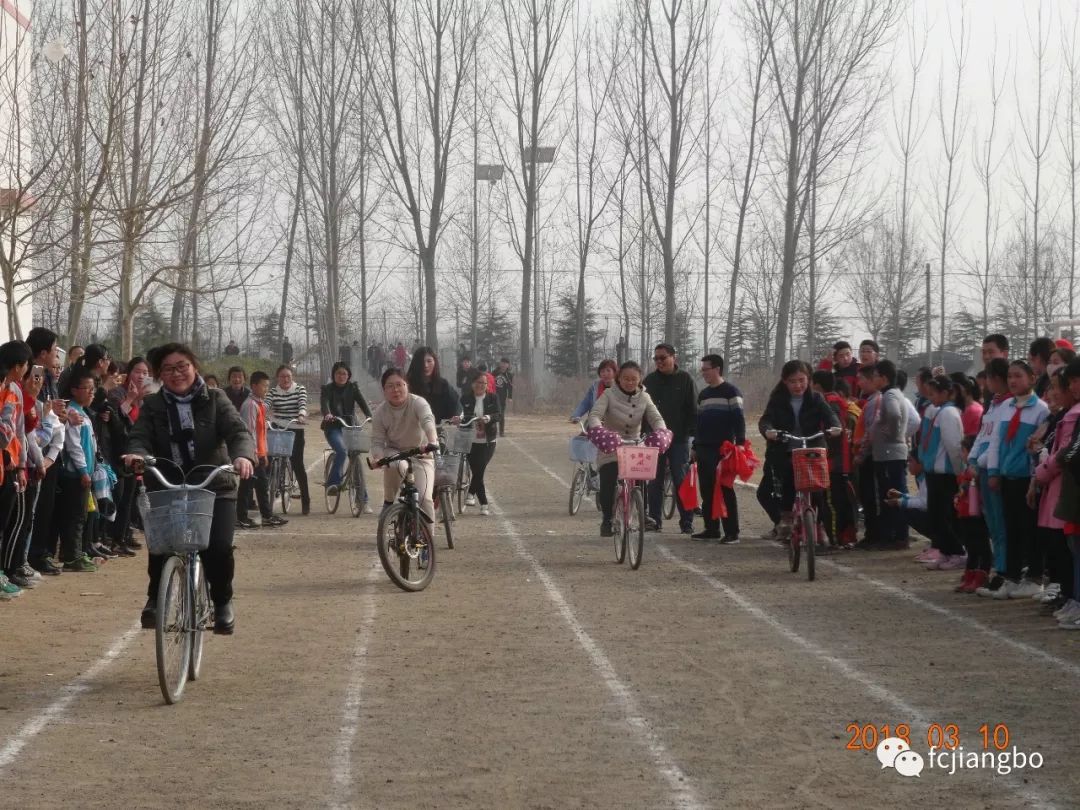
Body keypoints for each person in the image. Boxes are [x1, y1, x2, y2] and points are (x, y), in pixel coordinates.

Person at [125, 343, 255, 634]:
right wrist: (136, 454)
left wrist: (243, 456)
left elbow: (238, 432)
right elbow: (139, 437)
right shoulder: (154, 405)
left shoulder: (216, 399)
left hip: (213, 485)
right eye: (168, 369)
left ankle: (222, 602)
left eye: (182, 366)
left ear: (194, 366)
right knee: (161, 544)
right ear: (160, 375)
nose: (176, 373)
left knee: (218, 548)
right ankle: (155, 599)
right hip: (168, 483)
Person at [985, 360, 1050, 599]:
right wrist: (993, 471)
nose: (1013, 381)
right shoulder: (1006, 407)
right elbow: (995, 443)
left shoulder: (1040, 409)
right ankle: (1011, 577)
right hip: (1006, 477)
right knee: (1010, 528)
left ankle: (1034, 577)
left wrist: (1034, 479)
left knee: (1030, 529)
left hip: (1027, 479)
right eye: (1010, 376)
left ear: (1032, 378)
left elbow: (1038, 448)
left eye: (1018, 376)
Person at [757, 360, 841, 542]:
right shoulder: (778, 400)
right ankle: (786, 517)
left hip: (811, 448)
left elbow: (831, 417)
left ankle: (819, 525)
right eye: (793, 381)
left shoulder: (817, 399)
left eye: (802, 380)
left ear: (808, 379)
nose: (798, 385)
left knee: (819, 489)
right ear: (785, 382)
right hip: (786, 449)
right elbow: (765, 421)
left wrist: (835, 427)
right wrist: (769, 431)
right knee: (787, 476)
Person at [586, 361, 667, 538]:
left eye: (634, 379)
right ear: (619, 378)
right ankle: (607, 518)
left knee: (641, 478)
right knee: (608, 478)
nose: (629, 382)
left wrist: (661, 430)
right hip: (611, 444)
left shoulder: (645, 397)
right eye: (625, 379)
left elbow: (656, 418)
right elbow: (595, 415)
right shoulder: (608, 394)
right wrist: (599, 430)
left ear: (639, 380)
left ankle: (641, 511)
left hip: (635, 444)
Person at [370, 368, 439, 521]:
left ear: (406, 385)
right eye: (390, 386)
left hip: (422, 454)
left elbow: (428, 421)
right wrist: (377, 458)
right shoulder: (380, 412)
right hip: (395, 453)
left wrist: (432, 441)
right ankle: (389, 501)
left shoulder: (418, 403)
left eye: (399, 384)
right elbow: (377, 441)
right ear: (384, 390)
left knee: (425, 499)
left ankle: (428, 540)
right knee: (397, 465)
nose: (395, 390)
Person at [643, 343, 697, 534]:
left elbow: (693, 409)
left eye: (663, 358)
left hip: (679, 439)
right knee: (654, 480)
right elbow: (643, 411)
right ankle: (654, 520)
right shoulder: (649, 381)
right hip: (654, 439)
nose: (659, 362)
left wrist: (693, 438)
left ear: (674, 357)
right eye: (656, 358)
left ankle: (687, 521)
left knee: (680, 479)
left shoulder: (685, 379)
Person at [913, 375, 966, 570]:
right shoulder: (936, 411)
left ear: (946, 393)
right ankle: (946, 551)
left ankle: (958, 552)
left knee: (944, 516)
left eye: (934, 393)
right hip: (934, 471)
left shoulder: (949, 413)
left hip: (946, 473)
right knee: (936, 515)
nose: (931, 396)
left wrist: (959, 471)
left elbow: (953, 445)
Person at [692, 354, 744, 543]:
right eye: (702, 369)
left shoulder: (731, 392)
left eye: (706, 369)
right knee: (706, 490)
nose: (703, 372)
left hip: (724, 450)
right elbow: (698, 424)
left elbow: (739, 420)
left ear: (717, 369)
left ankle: (732, 532)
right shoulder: (704, 395)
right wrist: (695, 446)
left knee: (725, 489)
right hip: (704, 449)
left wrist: (740, 445)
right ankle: (711, 528)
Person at [861, 360, 910, 551]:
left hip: (890, 455)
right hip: (889, 454)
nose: (873, 380)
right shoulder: (893, 394)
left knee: (891, 495)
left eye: (874, 377)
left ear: (883, 378)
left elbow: (895, 415)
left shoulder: (889, 395)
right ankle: (895, 535)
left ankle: (896, 536)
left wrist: (893, 434)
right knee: (891, 494)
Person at [811, 370, 857, 548]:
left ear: (817, 385)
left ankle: (836, 538)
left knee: (831, 502)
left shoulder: (829, 404)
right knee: (835, 501)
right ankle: (838, 536)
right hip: (837, 461)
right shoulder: (835, 402)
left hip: (833, 462)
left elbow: (834, 434)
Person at [237, 371, 286, 529]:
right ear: (254, 386)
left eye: (267, 386)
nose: (266, 389)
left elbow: (261, 431)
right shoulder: (250, 405)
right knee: (247, 486)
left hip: (260, 453)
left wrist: (264, 453)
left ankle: (266, 515)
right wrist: (254, 454)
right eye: (264, 386)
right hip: (253, 454)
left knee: (260, 485)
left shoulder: (258, 404)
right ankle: (243, 517)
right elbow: (249, 431)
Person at [320, 361, 373, 504]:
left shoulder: (353, 388)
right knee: (342, 451)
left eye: (344, 373)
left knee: (355, 458)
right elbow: (324, 403)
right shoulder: (327, 389)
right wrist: (327, 414)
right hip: (333, 427)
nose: (341, 376)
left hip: (350, 427)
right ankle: (332, 484)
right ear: (333, 375)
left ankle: (362, 499)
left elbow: (362, 403)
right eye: (338, 373)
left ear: (348, 375)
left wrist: (369, 415)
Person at [267, 365, 311, 515]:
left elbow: (302, 404)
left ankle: (306, 501)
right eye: (282, 376)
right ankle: (270, 489)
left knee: (297, 463)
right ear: (277, 378)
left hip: (295, 427)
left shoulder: (299, 389)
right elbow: (266, 404)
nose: (285, 379)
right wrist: (262, 412)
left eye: (288, 376)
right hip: (277, 426)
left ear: (292, 377)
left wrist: (301, 415)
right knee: (268, 458)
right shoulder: (273, 391)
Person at [459, 372, 501, 515]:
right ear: (472, 384)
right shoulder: (465, 398)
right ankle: (484, 504)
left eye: (483, 383)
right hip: (471, 441)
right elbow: (461, 414)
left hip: (488, 441)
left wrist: (489, 417)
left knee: (481, 467)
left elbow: (499, 415)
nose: (480, 385)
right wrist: (459, 419)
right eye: (478, 382)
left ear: (487, 385)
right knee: (477, 472)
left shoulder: (492, 398)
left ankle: (470, 494)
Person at [406, 347, 461, 424]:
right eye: (421, 362)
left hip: (439, 431)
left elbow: (456, 404)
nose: (425, 365)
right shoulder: (407, 385)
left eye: (429, 361)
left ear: (435, 362)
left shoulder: (443, 385)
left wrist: (456, 416)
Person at [494, 358, 513, 437]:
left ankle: (501, 432)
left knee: (501, 415)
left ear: (508, 365)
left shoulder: (509, 375)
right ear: (500, 363)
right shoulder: (495, 372)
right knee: (494, 414)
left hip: (502, 397)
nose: (504, 365)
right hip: (494, 397)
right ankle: (493, 431)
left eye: (506, 363)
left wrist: (510, 397)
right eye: (502, 363)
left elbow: (510, 387)